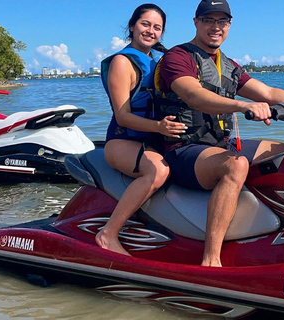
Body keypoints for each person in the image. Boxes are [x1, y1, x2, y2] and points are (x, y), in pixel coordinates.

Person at [156, 0, 284, 267]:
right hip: (182, 150)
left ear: (230, 25)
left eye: (222, 21)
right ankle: (211, 258)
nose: (215, 27)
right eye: (209, 20)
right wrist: (243, 105)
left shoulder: (227, 65)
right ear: (196, 22)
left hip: (219, 144)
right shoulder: (178, 57)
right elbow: (193, 95)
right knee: (236, 165)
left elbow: (268, 94)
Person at [96, 4, 186, 255]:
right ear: (132, 26)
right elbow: (123, 116)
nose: (151, 31)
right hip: (121, 141)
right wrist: (159, 126)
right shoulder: (122, 62)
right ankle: (108, 233)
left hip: (155, 140)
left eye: (157, 27)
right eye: (145, 24)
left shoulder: (159, 60)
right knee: (157, 171)